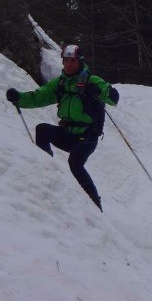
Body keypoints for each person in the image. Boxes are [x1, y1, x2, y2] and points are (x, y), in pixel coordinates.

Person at [6, 44, 119, 211]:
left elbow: (113, 98)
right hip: (68, 133)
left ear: (80, 61)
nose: (68, 64)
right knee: (42, 130)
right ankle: (47, 175)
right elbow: (39, 97)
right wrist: (19, 99)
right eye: (65, 60)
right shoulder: (60, 83)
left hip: (87, 136)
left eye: (72, 60)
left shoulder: (91, 80)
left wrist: (101, 92)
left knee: (75, 163)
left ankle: (96, 205)